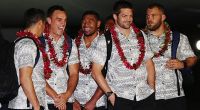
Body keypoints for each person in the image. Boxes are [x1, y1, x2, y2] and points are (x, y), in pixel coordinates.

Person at [91, 1, 155, 110]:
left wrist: (152, 87)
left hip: (145, 96)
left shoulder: (141, 35)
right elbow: (95, 72)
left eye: (131, 16)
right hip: (120, 98)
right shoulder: (105, 39)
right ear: (115, 16)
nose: (129, 19)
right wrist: (111, 96)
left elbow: (148, 62)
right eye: (124, 16)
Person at [145, 3, 198, 110]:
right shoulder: (141, 39)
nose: (149, 18)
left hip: (174, 96)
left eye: (153, 15)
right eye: (147, 16)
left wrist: (183, 64)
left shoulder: (178, 37)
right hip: (148, 96)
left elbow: (192, 58)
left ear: (163, 17)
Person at [8, 8, 46, 110]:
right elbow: (25, 78)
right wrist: (36, 106)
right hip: (26, 104)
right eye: (44, 25)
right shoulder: (28, 45)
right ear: (40, 23)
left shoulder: (18, 41)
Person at [44, 5, 79, 110]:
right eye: (59, 20)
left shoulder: (70, 43)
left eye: (65, 20)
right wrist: (56, 97)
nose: (63, 23)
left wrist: (66, 95)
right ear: (49, 20)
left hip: (66, 100)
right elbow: (36, 74)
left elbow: (74, 73)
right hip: (44, 100)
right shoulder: (39, 41)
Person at [73, 10, 106, 110]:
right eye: (84, 21)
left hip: (98, 103)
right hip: (76, 103)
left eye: (91, 20)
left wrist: (93, 101)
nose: (86, 24)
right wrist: (73, 100)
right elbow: (68, 73)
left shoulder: (105, 44)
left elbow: (108, 75)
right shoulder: (73, 44)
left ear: (98, 23)